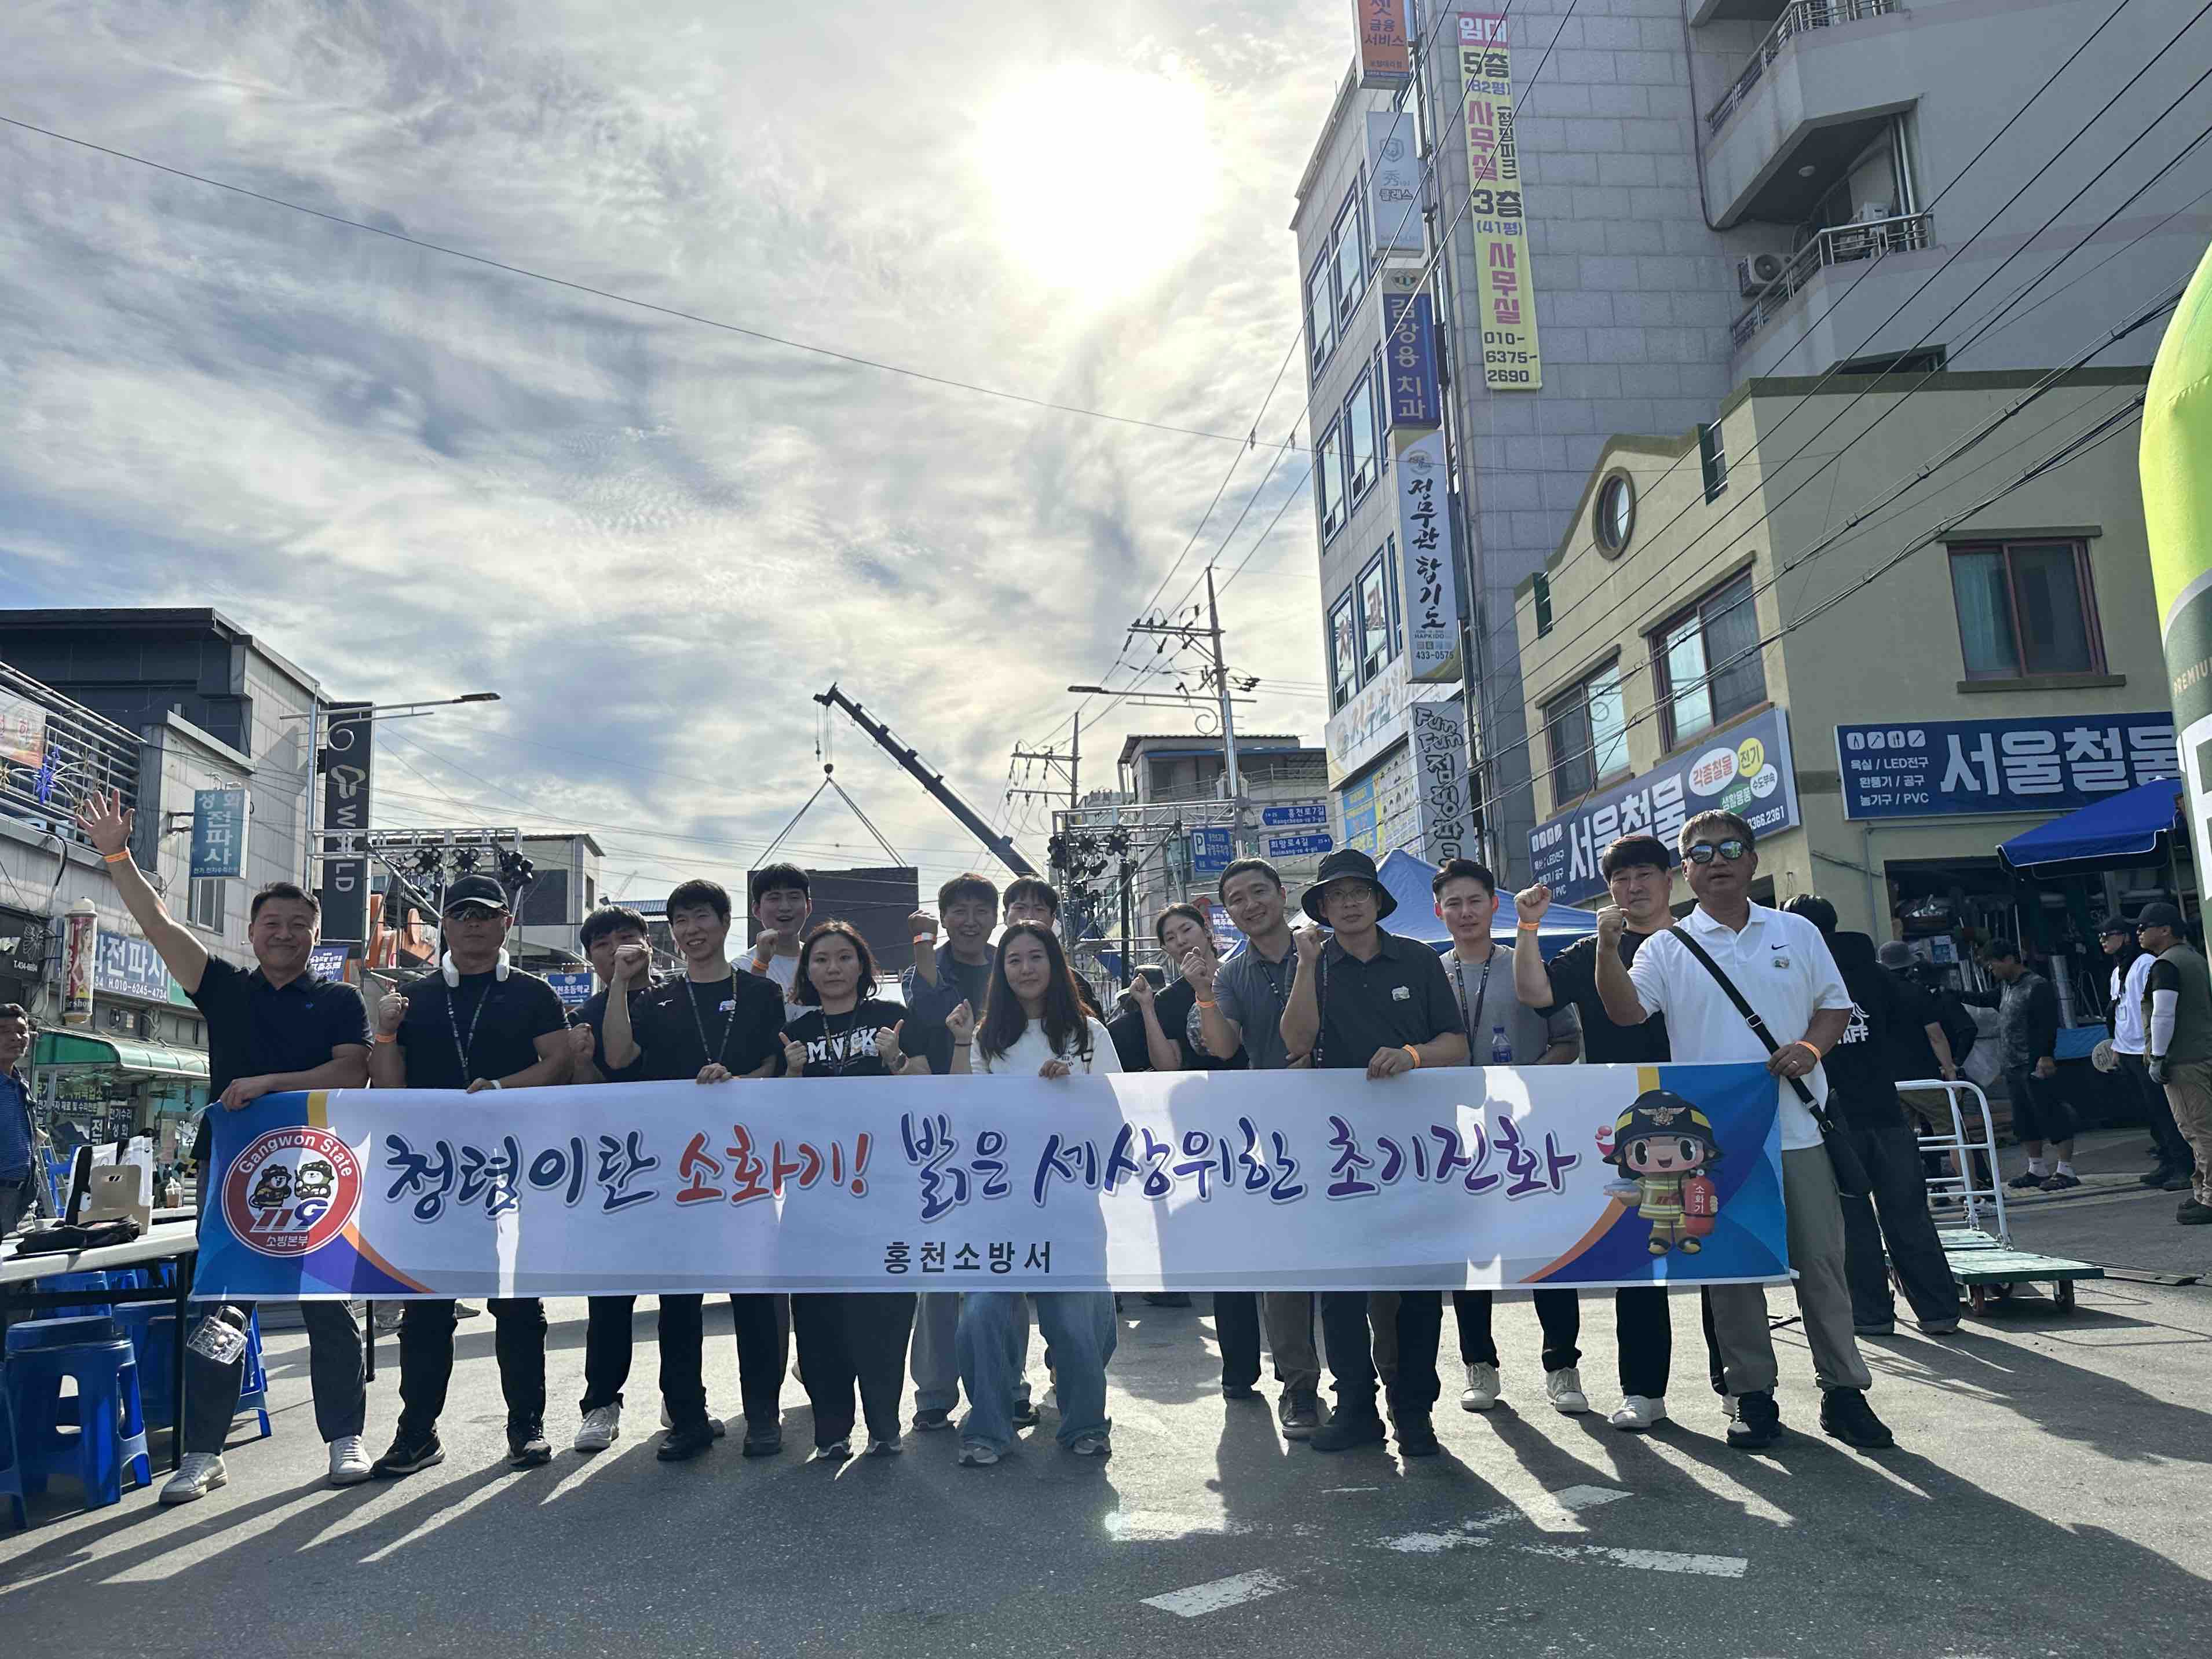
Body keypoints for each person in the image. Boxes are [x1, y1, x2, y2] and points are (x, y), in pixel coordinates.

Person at [75, 788, 375, 1501]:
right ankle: (203, 1451)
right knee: (221, 1310)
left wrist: (267, 1083)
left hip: (320, 1175)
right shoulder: (224, 988)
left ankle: (345, 1437)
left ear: (315, 936)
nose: (285, 934)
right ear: (252, 930)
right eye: (273, 923)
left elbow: (352, 1071)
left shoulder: (339, 1000)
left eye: (299, 925)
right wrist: (116, 855)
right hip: (233, 1174)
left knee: (328, 1307)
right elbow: (158, 922)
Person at [1593, 811, 1892, 1452]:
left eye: (1730, 848)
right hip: (1718, 1141)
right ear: (1686, 871)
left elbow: (1834, 1005)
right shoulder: (1666, 947)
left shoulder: (1795, 931)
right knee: (1731, 1272)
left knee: (1821, 1263)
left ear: (1753, 859)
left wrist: (1809, 1048)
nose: (1717, 861)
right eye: (1701, 854)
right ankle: (1753, 1395)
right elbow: (1625, 1012)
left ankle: (1845, 1392)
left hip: (1798, 1128)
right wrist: (1604, 947)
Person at [367, 874, 573, 1477]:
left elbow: (560, 1062)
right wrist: (384, 1031)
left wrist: (503, 1088)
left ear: (507, 923)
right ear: (445, 925)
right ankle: (417, 1432)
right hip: (435, 1178)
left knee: (518, 1305)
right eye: (461, 914)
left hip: (514, 1170)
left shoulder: (534, 992)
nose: (474, 923)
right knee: (426, 1311)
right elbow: (388, 1086)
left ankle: (526, 1425)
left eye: (486, 914)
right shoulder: (414, 997)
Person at [1279, 848, 1468, 1456]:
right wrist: (1306, 965)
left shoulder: (1418, 957)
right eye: (1336, 896)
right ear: (1322, 907)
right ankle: (1355, 1408)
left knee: (1417, 1288)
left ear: (1378, 900)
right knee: (1341, 1291)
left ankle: (1415, 1411)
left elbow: (1456, 1044)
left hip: (1418, 1151)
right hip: (1338, 1154)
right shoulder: (1315, 963)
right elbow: (1295, 1042)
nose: (1349, 903)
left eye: (1358, 892)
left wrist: (1412, 1055)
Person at [602, 877, 791, 1459]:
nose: (691, 930)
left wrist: (739, 1083)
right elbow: (617, 1056)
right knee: (679, 1301)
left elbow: (776, 1066)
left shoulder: (760, 992)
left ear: (725, 922)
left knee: (754, 1296)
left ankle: (763, 1415)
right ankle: (687, 1417)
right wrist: (619, 982)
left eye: (702, 916)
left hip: (744, 1165)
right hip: (674, 1171)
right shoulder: (655, 998)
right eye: (681, 920)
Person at [1512, 834, 1681, 1433]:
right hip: (1623, 1119)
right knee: (1639, 1257)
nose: (1633, 887)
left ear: (1669, 879)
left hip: (1704, 1109)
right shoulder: (1591, 949)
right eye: (1621, 879)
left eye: (1644, 875)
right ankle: (1644, 1390)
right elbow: (1535, 993)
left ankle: (1737, 1389)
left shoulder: (1696, 941)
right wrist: (1527, 926)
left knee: (1715, 1260)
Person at [946, 922, 1121, 1465]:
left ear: (1054, 965)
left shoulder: (1090, 1035)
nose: (1025, 968)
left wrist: (1073, 1091)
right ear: (1001, 971)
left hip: (1068, 1201)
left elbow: (1114, 1116)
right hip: (996, 1205)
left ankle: (1085, 1422)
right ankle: (987, 1427)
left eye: (1035, 957)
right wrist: (962, 1045)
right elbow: (964, 1116)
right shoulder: (985, 1039)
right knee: (981, 1315)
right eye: (1014, 959)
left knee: (1074, 1322)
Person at [1429, 859, 1588, 1415]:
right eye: (1453, 903)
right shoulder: (1430, 974)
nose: (1465, 912)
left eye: (1474, 900)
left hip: (1528, 1132)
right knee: (1469, 1254)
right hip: (1457, 1136)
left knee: (1546, 1250)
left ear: (1493, 904)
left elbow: (1568, 1041)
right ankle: (1479, 1363)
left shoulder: (1524, 964)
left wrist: (1528, 1080)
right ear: (1438, 912)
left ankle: (1562, 1366)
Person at [1184, 859, 1325, 1438]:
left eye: (1258, 892)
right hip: (1276, 1137)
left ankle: (1369, 1388)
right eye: (1236, 899)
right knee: (1284, 1264)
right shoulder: (1233, 974)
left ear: (1282, 893)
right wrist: (1203, 992)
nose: (1250, 905)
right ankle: (1299, 1388)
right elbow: (1222, 1047)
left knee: (1360, 1264)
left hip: (1353, 1128)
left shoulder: (1325, 948)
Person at [1781, 899, 1960, 1338]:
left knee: (1852, 1220)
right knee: (1909, 1213)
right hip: (1886, 1108)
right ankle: (1938, 1311)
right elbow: (1919, 1019)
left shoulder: (1798, 974)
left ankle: (1871, 1315)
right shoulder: (1879, 975)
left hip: (1831, 1117)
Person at [780, 920, 924, 1459]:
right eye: (821, 960)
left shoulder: (893, 1018)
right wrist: (791, 1077)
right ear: (807, 971)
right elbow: (774, 1117)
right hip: (814, 1193)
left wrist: (894, 1061)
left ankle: (884, 1425)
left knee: (884, 1311)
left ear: (862, 966)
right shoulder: (794, 1031)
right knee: (818, 1316)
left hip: (884, 1192)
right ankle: (831, 1430)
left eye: (844, 957)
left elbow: (928, 1092)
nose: (833, 968)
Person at [903, 871, 1011, 1433]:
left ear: (996, 917)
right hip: (940, 1134)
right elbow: (929, 1020)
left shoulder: (1013, 963)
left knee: (1003, 1265)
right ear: (943, 918)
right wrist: (924, 952)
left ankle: (1010, 1384)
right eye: (959, 911)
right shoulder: (922, 969)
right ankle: (934, 1391)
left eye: (980, 910)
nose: (970, 921)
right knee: (939, 1266)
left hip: (1006, 1133)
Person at [569, 904, 657, 1455]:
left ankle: (684, 1398)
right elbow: (588, 1097)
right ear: (591, 957)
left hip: (681, 1168)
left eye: (627, 938)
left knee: (683, 1294)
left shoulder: (678, 998)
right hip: (614, 1174)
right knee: (608, 1299)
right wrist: (581, 1062)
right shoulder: (583, 1014)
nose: (616, 950)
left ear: (648, 944)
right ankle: (601, 1403)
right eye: (602, 944)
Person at [1964, 942, 2079, 1192]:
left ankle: (2066, 1169)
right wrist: (1952, 994)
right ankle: (2036, 1168)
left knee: (2050, 1113)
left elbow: (2047, 1025)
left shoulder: (2037, 986)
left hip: (2034, 1062)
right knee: (2024, 1119)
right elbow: (1984, 999)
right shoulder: (2006, 987)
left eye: (1993, 963)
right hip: (2012, 1064)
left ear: (2009, 959)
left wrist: (2045, 1056)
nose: (1991, 969)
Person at [2098, 916, 2195, 1191]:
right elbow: (2120, 1012)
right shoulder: (2117, 972)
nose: (2103, 940)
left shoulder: (2145, 964)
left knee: (2166, 1112)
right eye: (2101, 936)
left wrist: (2154, 1049)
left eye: (2108, 935)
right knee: (2151, 1113)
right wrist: (2116, 1047)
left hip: (2145, 1049)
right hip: (2127, 1050)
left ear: (2125, 937)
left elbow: (2156, 1009)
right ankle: (2167, 1160)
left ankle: (2184, 1165)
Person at [2134, 902, 2212, 1226]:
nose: (2138, 932)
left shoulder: (2166, 965)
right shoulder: (2195, 958)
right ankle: (2202, 1191)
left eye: (2144, 927)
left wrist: (2158, 1056)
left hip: (2183, 1061)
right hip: (2202, 1053)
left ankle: (2210, 1197)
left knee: (2197, 1130)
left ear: (2165, 930)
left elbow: (2163, 1014)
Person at [1001, 876, 1105, 1017]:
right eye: (1020, 908)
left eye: (1039, 909)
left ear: (1052, 919)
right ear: (1005, 917)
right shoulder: (991, 975)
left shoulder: (1076, 984)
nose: (1029, 916)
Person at [744, 863, 812, 997]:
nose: (785, 907)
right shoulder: (740, 968)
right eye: (774, 898)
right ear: (757, 910)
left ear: (808, 907)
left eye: (794, 897)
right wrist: (760, 965)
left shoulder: (823, 961)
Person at [1, 1004, 39, 1239]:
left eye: (22, 1031)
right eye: (4, 1031)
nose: (16, 1037)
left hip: (23, 1199)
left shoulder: (19, 1084)